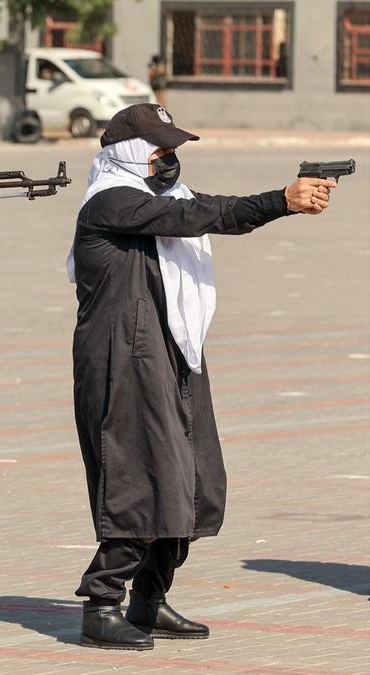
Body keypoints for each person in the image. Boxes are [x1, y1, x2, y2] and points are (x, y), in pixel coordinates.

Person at [67, 103, 336, 650]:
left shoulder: (158, 199)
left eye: (173, 151)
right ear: (129, 154)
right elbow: (201, 216)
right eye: (159, 151)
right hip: (124, 357)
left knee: (193, 480)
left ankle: (150, 597)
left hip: (171, 349)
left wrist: (281, 204)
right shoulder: (111, 202)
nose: (169, 161)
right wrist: (279, 200)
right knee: (140, 477)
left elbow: (202, 211)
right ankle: (102, 604)